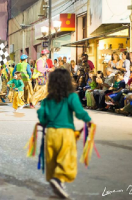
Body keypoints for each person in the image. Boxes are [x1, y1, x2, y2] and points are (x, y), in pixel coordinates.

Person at [37, 68, 92, 198]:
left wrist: (44, 121)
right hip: (66, 133)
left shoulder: (47, 99)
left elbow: (41, 114)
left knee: (53, 159)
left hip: (50, 133)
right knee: (67, 159)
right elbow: (79, 112)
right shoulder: (71, 96)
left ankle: (57, 182)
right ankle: (58, 179)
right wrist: (88, 120)